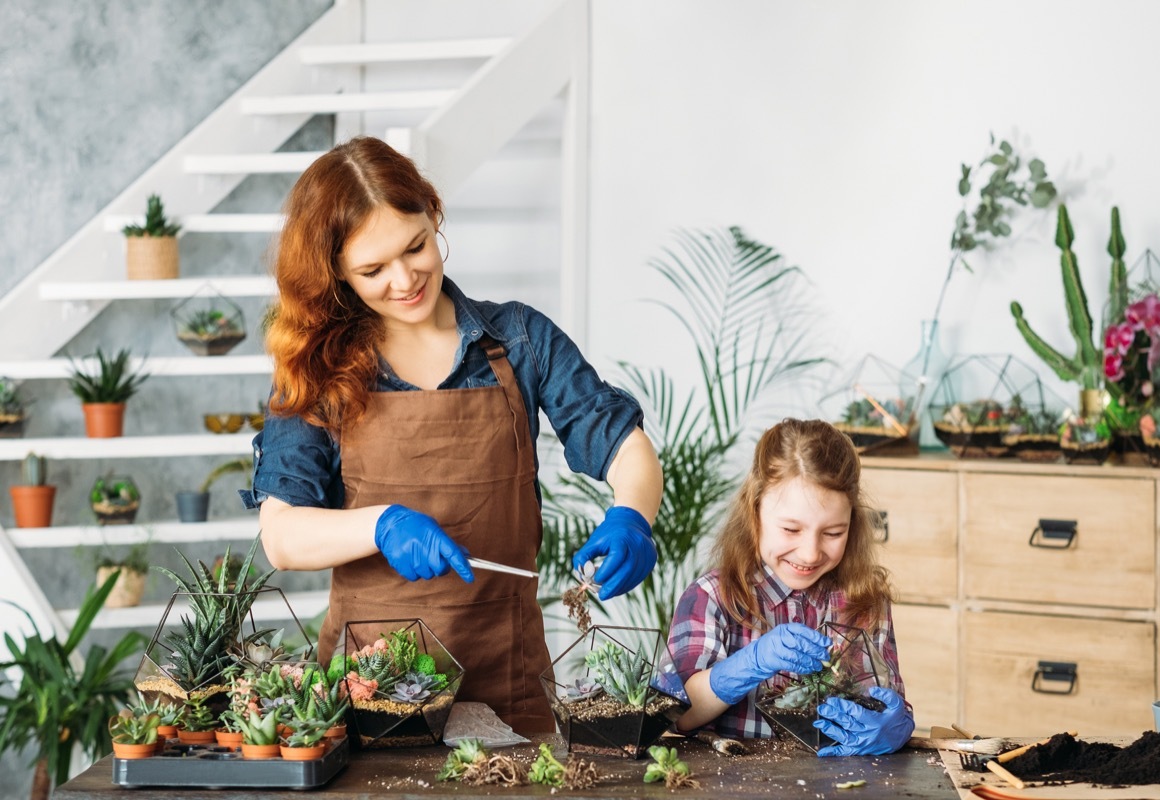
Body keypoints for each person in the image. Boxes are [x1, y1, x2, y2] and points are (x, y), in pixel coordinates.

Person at [241, 135, 664, 735]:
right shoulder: (320, 369)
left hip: (509, 680)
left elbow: (622, 443)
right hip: (372, 695)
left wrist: (632, 516)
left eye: (415, 247)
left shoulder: (519, 340)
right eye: (372, 269)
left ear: (433, 216)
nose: (405, 278)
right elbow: (282, 536)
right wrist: (381, 523)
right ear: (336, 274)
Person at [667, 418, 913, 755]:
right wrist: (749, 663)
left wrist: (895, 726)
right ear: (754, 513)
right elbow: (678, 715)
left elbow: (886, 700)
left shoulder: (863, 598)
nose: (810, 553)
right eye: (790, 530)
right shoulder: (712, 596)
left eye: (833, 533)